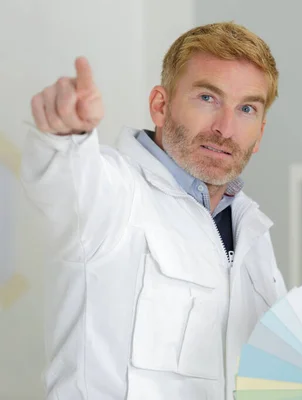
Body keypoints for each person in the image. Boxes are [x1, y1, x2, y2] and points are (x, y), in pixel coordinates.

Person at [22, 22, 287, 400]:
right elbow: (68, 188)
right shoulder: (116, 193)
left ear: (259, 133)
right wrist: (64, 138)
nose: (225, 128)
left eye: (246, 108)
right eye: (207, 98)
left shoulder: (252, 232)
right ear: (160, 106)